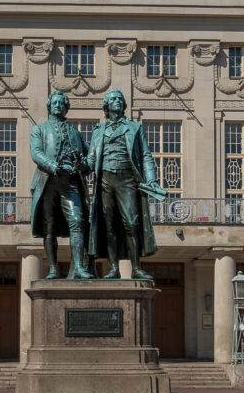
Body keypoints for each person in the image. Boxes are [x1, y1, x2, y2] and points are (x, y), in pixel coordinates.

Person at [84, 89, 165, 280]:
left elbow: (145, 156)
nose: (118, 101)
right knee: (109, 225)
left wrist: (151, 179)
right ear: (106, 105)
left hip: (127, 179)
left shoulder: (135, 128)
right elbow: (90, 160)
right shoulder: (98, 131)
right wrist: (76, 165)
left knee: (132, 223)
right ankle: (113, 268)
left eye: (120, 99)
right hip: (105, 180)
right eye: (113, 99)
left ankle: (136, 268)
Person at [29, 91, 94, 279]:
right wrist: (53, 165)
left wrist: (82, 165)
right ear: (49, 106)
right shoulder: (39, 130)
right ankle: (53, 268)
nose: (58, 105)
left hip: (71, 183)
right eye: (55, 103)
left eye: (61, 103)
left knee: (77, 222)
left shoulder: (75, 132)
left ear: (66, 108)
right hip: (47, 182)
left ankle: (80, 267)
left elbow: (88, 160)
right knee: (49, 226)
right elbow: (36, 153)